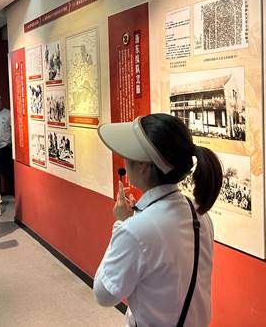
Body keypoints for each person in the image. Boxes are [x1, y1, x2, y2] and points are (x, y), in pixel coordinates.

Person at [94, 113, 223, 327]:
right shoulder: (199, 213)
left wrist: (121, 224)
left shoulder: (135, 230)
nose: (124, 159)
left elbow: (104, 294)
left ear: (143, 165)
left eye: (128, 153)